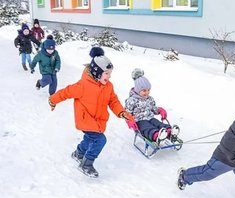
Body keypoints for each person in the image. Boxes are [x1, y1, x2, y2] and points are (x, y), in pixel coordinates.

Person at [48, 47, 135, 178]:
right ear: (97, 72)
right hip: (85, 119)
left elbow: (113, 101)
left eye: (110, 74)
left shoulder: (108, 86)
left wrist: (121, 112)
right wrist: (53, 100)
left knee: (90, 139)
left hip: (98, 120)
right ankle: (86, 164)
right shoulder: (83, 85)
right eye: (106, 73)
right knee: (100, 140)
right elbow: (66, 92)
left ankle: (78, 153)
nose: (109, 76)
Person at [124, 68, 180, 144]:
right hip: (139, 121)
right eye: (144, 91)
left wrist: (159, 110)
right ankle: (157, 137)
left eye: (148, 90)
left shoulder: (149, 99)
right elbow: (126, 113)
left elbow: (153, 108)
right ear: (137, 90)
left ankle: (170, 132)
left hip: (150, 118)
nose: (147, 93)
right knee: (148, 128)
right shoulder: (131, 100)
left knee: (159, 124)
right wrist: (129, 121)